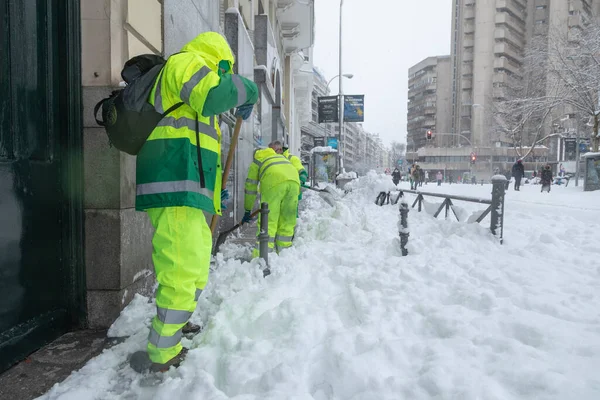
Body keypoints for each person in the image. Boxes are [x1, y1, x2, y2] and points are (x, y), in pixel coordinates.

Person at [131, 32, 258, 373]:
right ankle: (163, 350)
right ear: (218, 60)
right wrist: (248, 88)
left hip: (186, 192)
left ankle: (180, 319)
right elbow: (213, 95)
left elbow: (205, 156)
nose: (223, 77)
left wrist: (215, 197)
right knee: (182, 267)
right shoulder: (186, 63)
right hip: (171, 186)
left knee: (197, 260)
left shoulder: (195, 94)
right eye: (225, 70)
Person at [243, 140, 300, 257]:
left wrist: (247, 209)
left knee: (269, 219)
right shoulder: (283, 158)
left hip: (274, 183)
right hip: (294, 182)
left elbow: (250, 188)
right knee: (287, 220)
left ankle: (262, 256)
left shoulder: (258, 158)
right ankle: (285, 254)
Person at [282, 146, 307, 215]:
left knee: (290, 215)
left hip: (292, 191)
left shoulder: (292, 159)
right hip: (278, 191)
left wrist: (301, 180)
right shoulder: (271, 158)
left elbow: (302, 172)